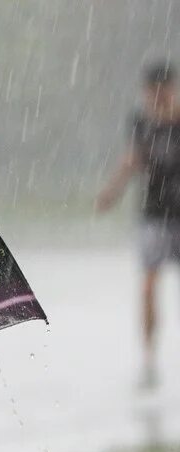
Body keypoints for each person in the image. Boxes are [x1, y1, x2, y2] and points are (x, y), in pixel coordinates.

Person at [97, 61, 180, 388]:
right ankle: (148, 356)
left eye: (163, 91)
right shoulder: (141, 122)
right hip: (153, 214)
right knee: (148, 284)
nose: (157, 98)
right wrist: (112, 191)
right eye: (152, 92)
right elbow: (133, 159)